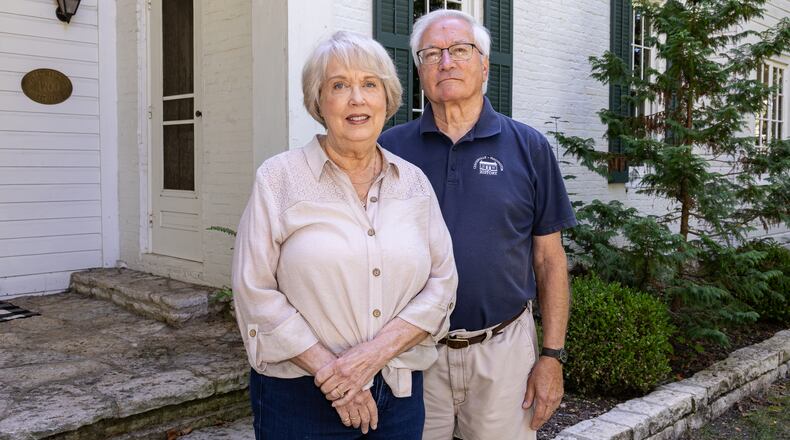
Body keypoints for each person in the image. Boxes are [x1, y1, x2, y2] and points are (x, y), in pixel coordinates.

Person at [231, 31, 457, 440]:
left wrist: (372, 357)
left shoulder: (414, 184)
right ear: (318, 102)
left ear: (387, 100)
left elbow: (442, 284)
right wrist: (333, 374)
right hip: (300, 397)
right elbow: (254, 290)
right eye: (339, 85)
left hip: (399, 391)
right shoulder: (278, 179)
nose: (357, 98)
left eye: (369, 84)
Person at [378, 9, 577, 440]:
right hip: (412, 356)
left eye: (459, 50)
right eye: (431, 54)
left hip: (503, 354)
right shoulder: (389, 151)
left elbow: (549, 260)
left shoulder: (529, 147)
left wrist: (552, 356)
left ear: (484, 64)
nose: (445, 62)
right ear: (419, 71)